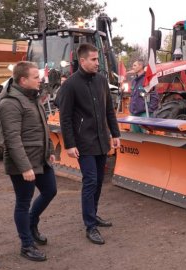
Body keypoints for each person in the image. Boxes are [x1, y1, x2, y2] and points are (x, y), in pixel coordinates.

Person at [58, 43, 121, 245]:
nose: (97, 63)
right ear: (82, 60)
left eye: (97, 59)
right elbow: (65, 118)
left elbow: (109, 110)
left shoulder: (102, 81)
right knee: (90, 181)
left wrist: (115, 133)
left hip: (102, 139)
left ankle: (93, 214)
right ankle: (90, 226)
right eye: (93, 59)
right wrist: (69, 144)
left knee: (99, 180)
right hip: (83, 142)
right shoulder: (70, 85)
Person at [0, 61, 57, 262]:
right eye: (35, 77)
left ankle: (32, 223)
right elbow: (12, 138)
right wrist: (25, 167)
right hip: (23, 164)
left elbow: (42, 126)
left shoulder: (32, 98)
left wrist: (49, 150)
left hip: (40, 158)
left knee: (50, 190)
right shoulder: (10, 102)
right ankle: (26, 244)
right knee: (23, 203)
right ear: (23, 80)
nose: (39, 80)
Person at [128, 59, 159, 133]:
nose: (133, 67)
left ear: (141, 66)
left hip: (144, 114)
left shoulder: (147, 80)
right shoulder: (134, 81)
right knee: (135, 139)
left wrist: (149, 110)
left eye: (134, 65)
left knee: (145, 139)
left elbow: (155, 97)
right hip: (134, 114)